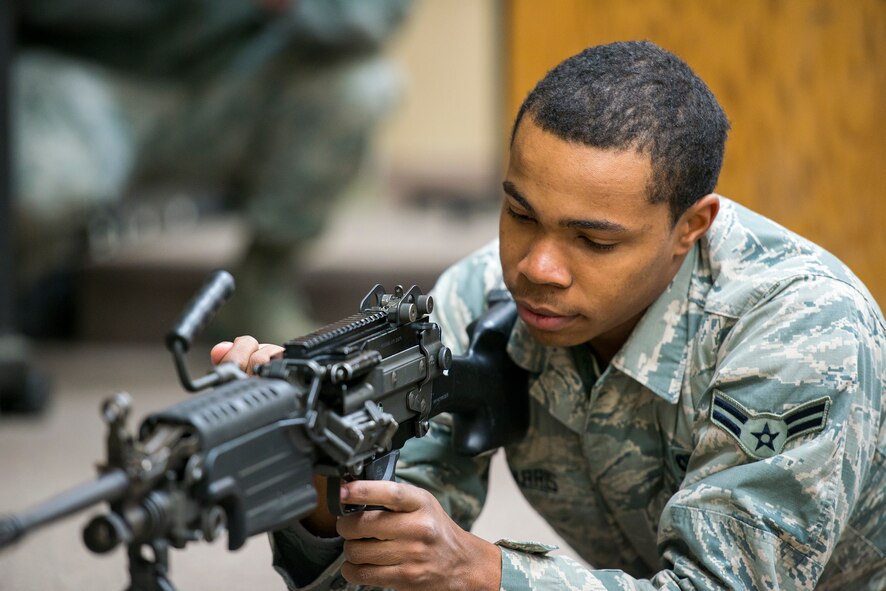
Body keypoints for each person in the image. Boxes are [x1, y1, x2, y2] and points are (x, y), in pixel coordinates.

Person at [212, 41, 886, 590]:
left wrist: (486, 571)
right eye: (519, 214)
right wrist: (323, 483)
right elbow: (383, 566)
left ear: (691, 226)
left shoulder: (802, 333)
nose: (538, 267)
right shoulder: (480, 297)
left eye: (593, 240)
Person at [13, 0, 411, 341]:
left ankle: (260, 286)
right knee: (45, 193)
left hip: (229, 78)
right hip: (87, 70)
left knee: (361, 84)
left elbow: (374, 13)